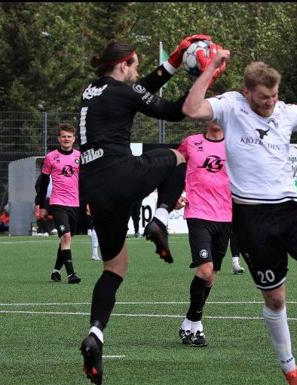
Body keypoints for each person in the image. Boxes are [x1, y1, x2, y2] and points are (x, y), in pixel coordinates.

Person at [183, 51, 297, 384]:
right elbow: (191, 109)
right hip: (250, 217)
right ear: (247, 92)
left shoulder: (287, 112)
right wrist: (211, 68)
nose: (270, 102)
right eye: (263, 97)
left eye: (274, 96)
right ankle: (290, 369)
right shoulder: (230, 106)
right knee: (275, 298)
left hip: (288, 207)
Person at [77, 35, 223, 385]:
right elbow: (173, 112)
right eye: (136, 65)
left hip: (94, 187)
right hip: (120, 174)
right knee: (182, 154)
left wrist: (173, 62)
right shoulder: (124, 92)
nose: (138, 71)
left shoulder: (92, 90)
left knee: (114, 267)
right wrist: (204, 76)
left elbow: (139, 90)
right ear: (124, 63)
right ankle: (159, 220)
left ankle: (95, 334)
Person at [176, 120, 231, 347]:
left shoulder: (235, 145)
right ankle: (197, 325)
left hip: (226, 216)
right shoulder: (191, 143)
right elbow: (175, 168)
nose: (216, 117)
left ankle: (189, 321)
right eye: (212, 112)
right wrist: (174, 195)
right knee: (205, 268)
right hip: (198, 213)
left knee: (211, 275)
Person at [35, 123, 82, 284]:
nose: (66, 139)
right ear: (59, 139)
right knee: (66, 236)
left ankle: (56, 271)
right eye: (63, 136)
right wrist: (41, 205)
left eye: (69, 136)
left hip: (75, 204)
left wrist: (89, 202)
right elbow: (42, 183)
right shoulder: (50, 157)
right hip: (58, 202)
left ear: (74, 139)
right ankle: (71, 274)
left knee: (66, 239)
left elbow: (86, 182)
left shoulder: (80, 156)